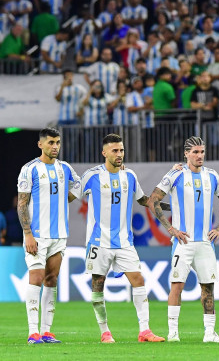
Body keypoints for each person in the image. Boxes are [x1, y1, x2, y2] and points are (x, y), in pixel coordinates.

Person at [79, 133, 167, 343]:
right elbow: (71, 195)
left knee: (138, 280)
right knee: (98, 284)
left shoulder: (130, 176)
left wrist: (169, 206)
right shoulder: (92, 176)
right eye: (115, 150)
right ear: (104, 152)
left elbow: (144, 199)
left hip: (124, 242)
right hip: (99, 242)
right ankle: (104, 332)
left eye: (122, 150)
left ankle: (144, 331)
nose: (119, 154)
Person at [149, 136, 219, 342]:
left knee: (208, 287)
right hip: (183, 242)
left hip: (204, 242)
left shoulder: (212, 176)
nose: (200, 156)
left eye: (202, 152)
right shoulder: (175, 175)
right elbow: (153, 200)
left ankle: (210, 334)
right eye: (195, 152)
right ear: (186, 154)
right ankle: (173, 333)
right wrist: (170, 228)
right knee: (177, 285)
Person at [17, 127, 82, 344]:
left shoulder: (65, 168)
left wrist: (65, 200)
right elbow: (22, 204)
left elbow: (79, 185)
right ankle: (32, 332)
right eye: (51, 143)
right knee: (36, 278)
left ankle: (46, 331)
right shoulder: (29, 169)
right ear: (40, 145)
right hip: (37, 235)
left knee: (51, 280)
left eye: (57, 143)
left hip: (59, 235)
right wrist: (28, 234)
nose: (55, 147)